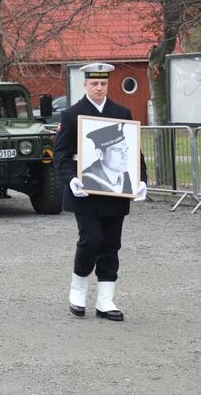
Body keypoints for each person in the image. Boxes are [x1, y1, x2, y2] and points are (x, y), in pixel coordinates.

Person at [53, 62, 147, 322]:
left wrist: (142, 180)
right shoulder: (72, 115)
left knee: (110, 244)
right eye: (94, 83)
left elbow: (133, 151)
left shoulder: (121, 112)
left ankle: (105, 300)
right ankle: (78, 290)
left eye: (103, 83)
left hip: (116, 191)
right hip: (85, 190)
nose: (99, 88)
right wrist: (70, 179)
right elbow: (60, 154)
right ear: (85, 85)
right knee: (90, 240)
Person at [81, 123, 133, 194]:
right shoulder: (87, 181)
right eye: (118, 150)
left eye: (126, 150)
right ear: (100, 154)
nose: (125, 156)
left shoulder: (125, 176)